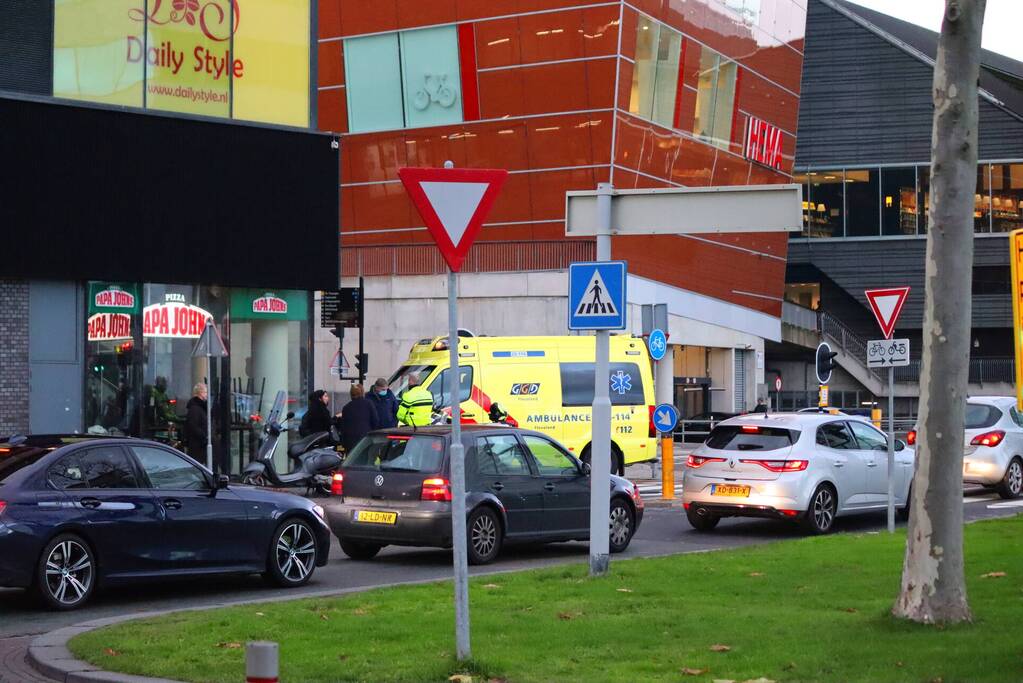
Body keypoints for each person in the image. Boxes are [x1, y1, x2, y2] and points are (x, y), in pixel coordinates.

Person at [339, 384, 379, 453]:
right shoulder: (369, 404)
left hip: (350, 442)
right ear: (362, 392)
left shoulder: (346, 408)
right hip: (365, 440)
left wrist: (344, 443)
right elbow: (375, 421)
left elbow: (343, 428)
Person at [184, 383, 208, 461]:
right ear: (200, 393)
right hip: (197, 446)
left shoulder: (198, 407)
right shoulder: (195, 408)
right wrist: (204, 436)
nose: (206, 395)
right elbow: (193, 426)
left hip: (199, 445)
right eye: (205, 392)